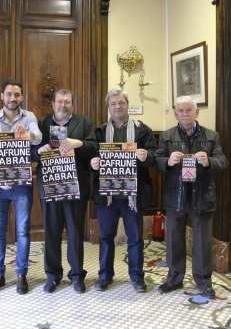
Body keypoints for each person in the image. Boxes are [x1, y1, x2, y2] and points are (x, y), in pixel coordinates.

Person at [155, 95, 228, 298]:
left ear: (197, 112)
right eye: (180, 110)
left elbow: (222, 161)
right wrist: (168, 161)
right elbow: (157, 161)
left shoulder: (211, 136)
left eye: (189, 110)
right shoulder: (167, 136)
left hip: (202, 196)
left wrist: (209, 161)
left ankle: (204, 281)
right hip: (175, 195)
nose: (185, 114)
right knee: (173, 239)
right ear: (175, 113)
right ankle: (174, 278)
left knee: (202, 240)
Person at [90, 88, 156, 293]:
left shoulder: (142, 130)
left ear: (127, 104)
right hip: (107, 195)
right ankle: (105, 275)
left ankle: (137, 277)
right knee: (106, 237)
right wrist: (93, 163)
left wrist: (147, 156)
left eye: (121, 103)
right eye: (113, 104)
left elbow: (154, 153)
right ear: (108, 107)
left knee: (135, 238)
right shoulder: (99, 132)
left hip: (132, 195)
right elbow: (89, 156)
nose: (117, 107)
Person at [31, 88, 97, 293]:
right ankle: (53, 276)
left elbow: (94, 148)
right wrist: (38, 151)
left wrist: (80, 143)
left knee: (76, 232)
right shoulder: (42, 124)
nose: (63, 105)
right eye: (59, 102)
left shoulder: (84, 123)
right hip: (50, 186)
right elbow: (31, 150)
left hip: (75, 186)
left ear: (72, 105)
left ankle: (77, 275)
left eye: (67, 102)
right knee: (51, 232)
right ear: (53, 104)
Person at [0, 79, 42, 295]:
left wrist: (27, 134)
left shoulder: (29, 117)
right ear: (2, 96)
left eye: (17, 95)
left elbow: (38, 138)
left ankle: (21, 274)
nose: (13, 98)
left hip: (22, 183)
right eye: (9, 94)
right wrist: (16, 137)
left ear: (21, 97)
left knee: (23, 231)